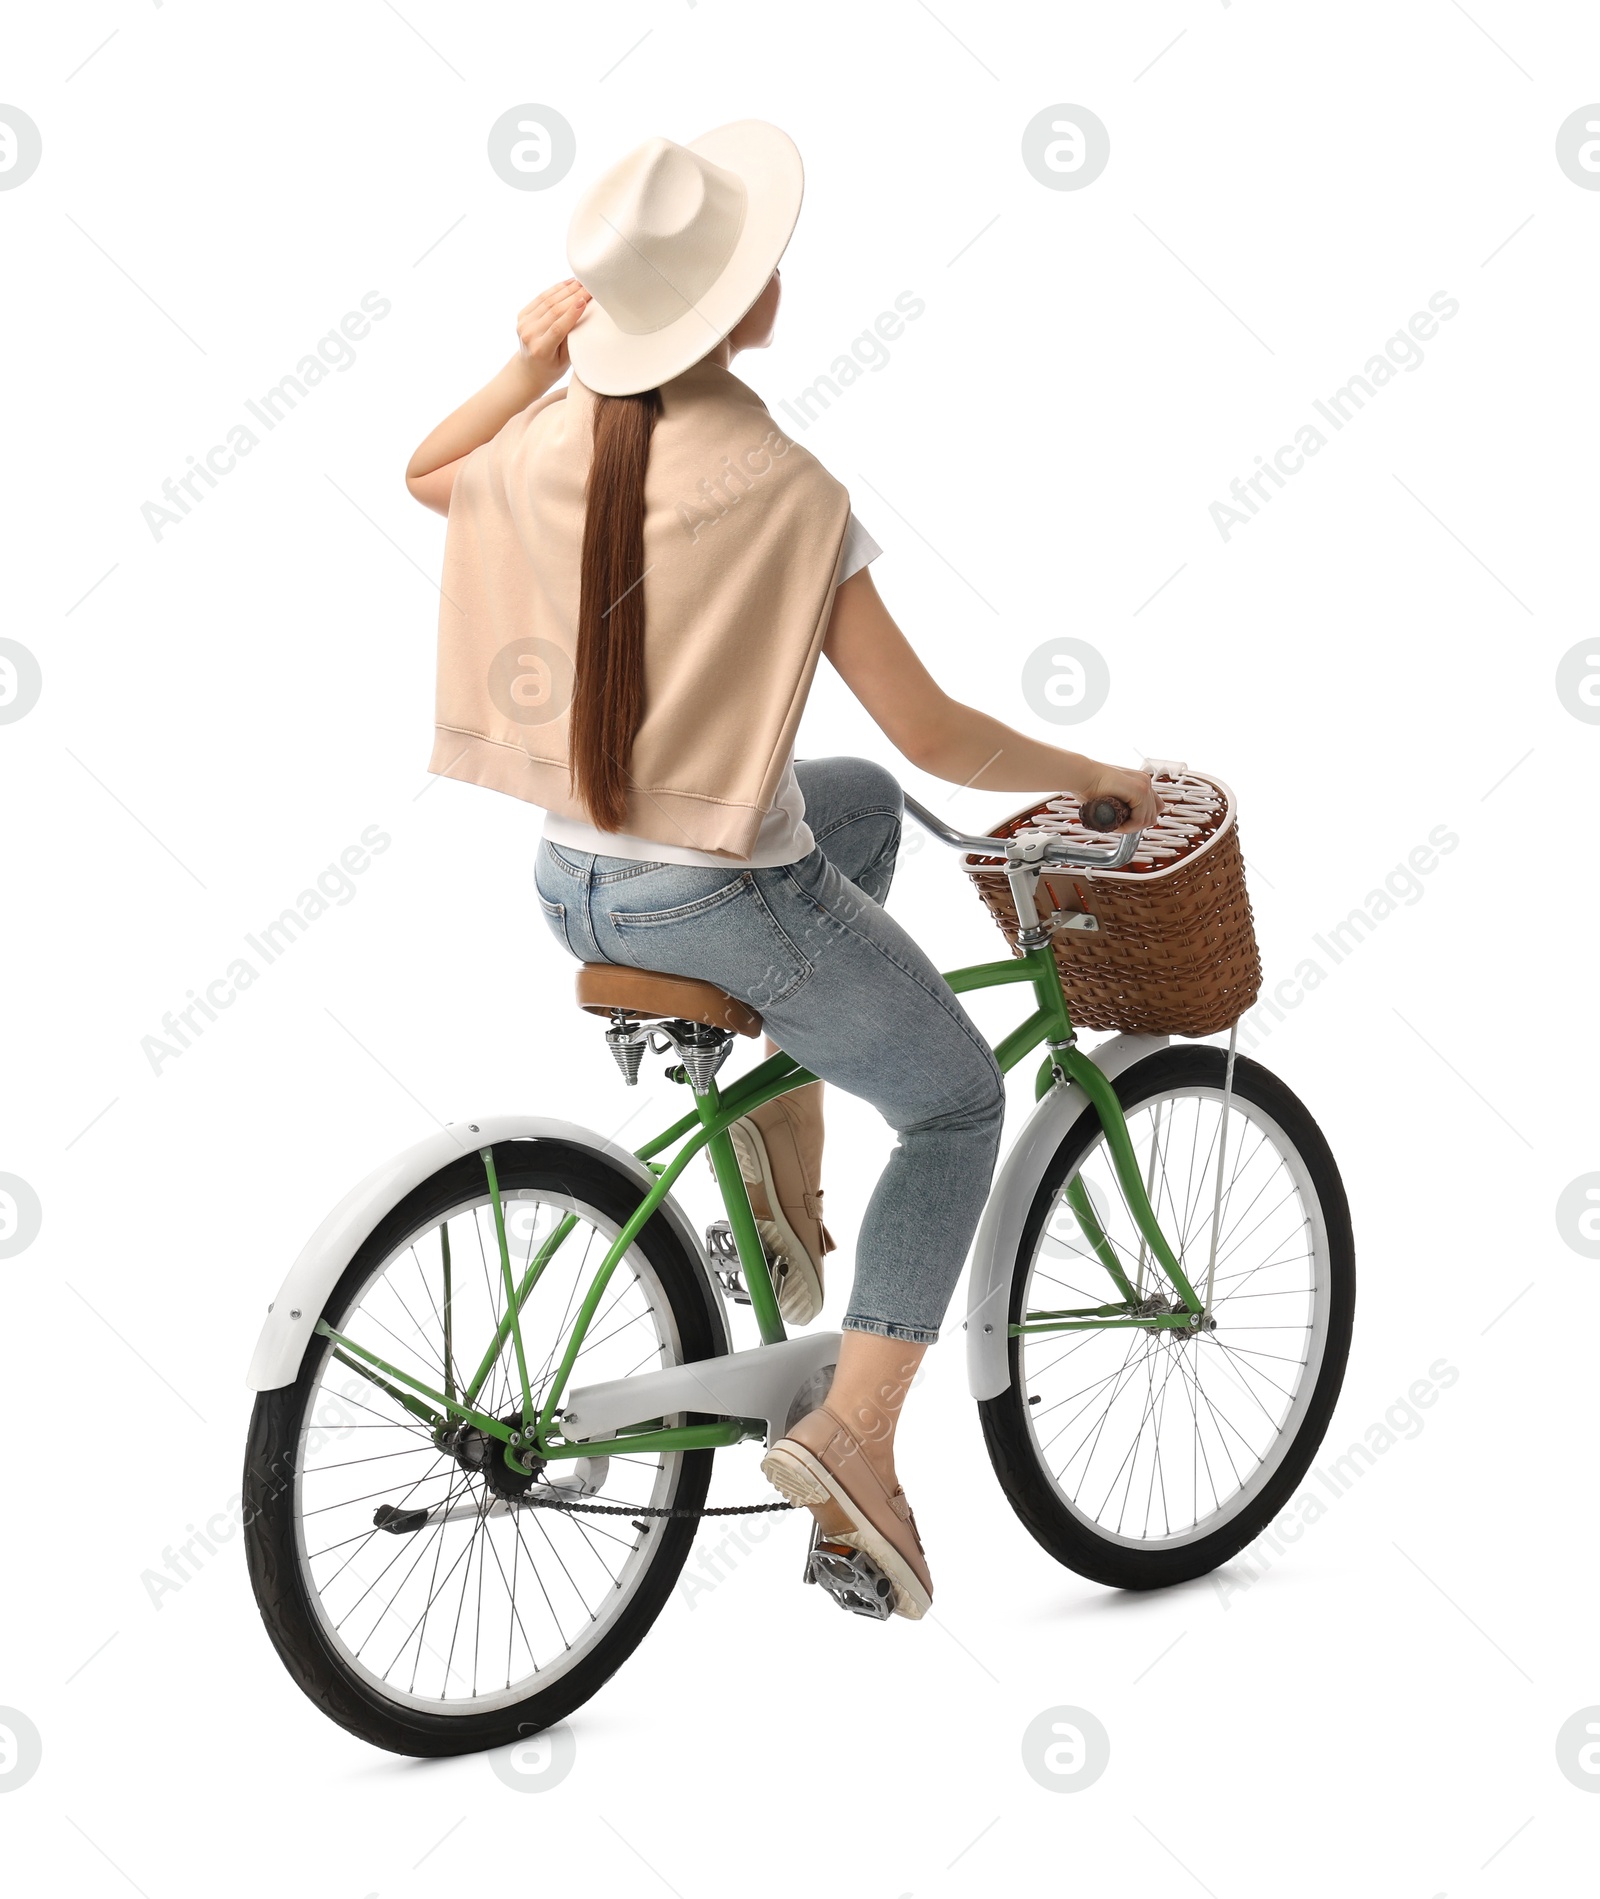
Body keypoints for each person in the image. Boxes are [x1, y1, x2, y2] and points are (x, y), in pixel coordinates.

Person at [404, 121, 1160, 1621]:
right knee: (954, 1104)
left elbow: (431, 473)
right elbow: (938, 725)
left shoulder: (554, 432)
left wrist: (529, 358)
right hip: (722, 900)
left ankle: (785, 1193)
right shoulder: (784, 484)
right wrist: (1100, 777)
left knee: (856, 804)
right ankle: (856, 1437)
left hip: (569, 879)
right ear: (742, 303)